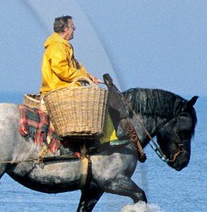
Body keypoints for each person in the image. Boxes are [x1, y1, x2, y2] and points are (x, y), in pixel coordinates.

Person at [39, 15, 143, 158]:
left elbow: (77, 67)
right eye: (72, 26)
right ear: (65, 29)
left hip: (66, 86)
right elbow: (62, 70)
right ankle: (106, 140)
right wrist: (82, 78)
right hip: (59, 88)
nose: (74, 28)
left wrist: (90, 77)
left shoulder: (63, 45)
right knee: (97, 104)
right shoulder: (57, 46)